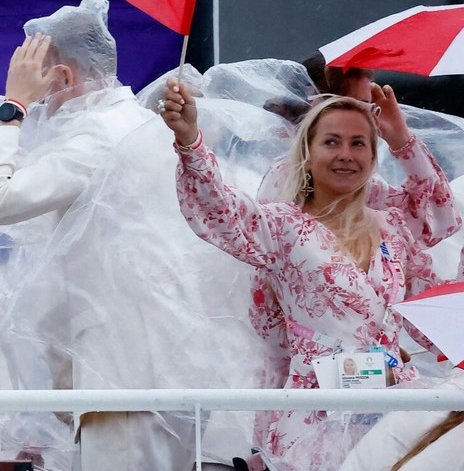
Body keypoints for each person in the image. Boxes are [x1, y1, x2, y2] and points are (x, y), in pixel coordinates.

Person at [0, 0, 262, 469]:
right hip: (167, 372)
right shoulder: (136, 124)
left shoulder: (97, 136)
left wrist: (12, 105)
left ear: (62, 78)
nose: (38, 104)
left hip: (125, 379)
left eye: (37, 84)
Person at [161, 79, 462, 470]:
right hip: (316, 415)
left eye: (358, 144)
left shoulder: (392, 226)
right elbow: (218, 210)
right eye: (331, 142)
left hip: (393, 406)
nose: (346, 155)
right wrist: (190, 140)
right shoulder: (283, 225)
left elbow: (440, 220)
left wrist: (402, 140)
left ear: (373, 157)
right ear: (306, 154)